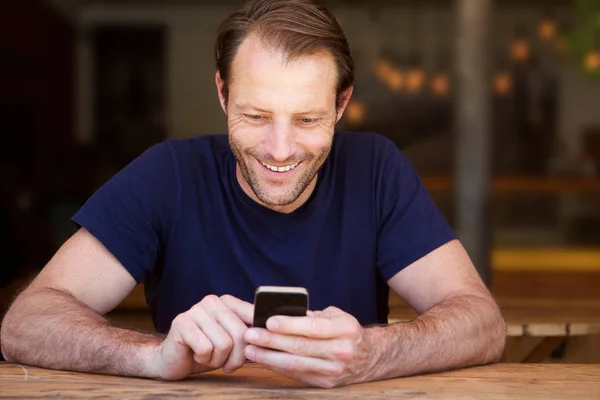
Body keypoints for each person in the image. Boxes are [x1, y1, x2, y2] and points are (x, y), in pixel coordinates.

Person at [0, 0, 506, 388]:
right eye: (256, 116)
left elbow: (482, 323)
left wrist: (374, 353)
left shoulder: (376, 168)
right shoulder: (166, 174)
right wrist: (152, 356)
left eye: (307, 119)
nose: (280, 150)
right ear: (223, 94)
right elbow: (26, 324)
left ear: (341, 104)